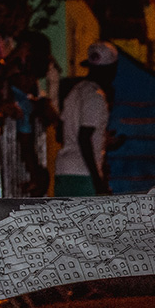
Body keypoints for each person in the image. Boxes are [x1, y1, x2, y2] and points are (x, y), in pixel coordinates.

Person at [54, 41, 118, 196]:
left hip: (63, 171)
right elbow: (84, 137)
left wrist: (102, 139)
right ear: (111, 69)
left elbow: (60, 133)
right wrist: (98, 182)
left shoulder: (75, 91)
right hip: (83, 174)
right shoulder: (95, 97)